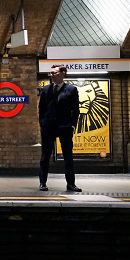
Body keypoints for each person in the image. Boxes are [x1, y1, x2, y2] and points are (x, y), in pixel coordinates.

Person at [38, 64, 82, 192]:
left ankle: (71, 184)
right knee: (45, 156)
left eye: (54, 73)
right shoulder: (46, 89)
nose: (51, 75)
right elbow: (41, 109)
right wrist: (42, 123)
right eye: (51, 73)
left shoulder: (71, 89)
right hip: (48, 127)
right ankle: (42, 183)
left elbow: (76, 110)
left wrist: (72, 125)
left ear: (63, 73)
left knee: (68, 156)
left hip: (65, 127)